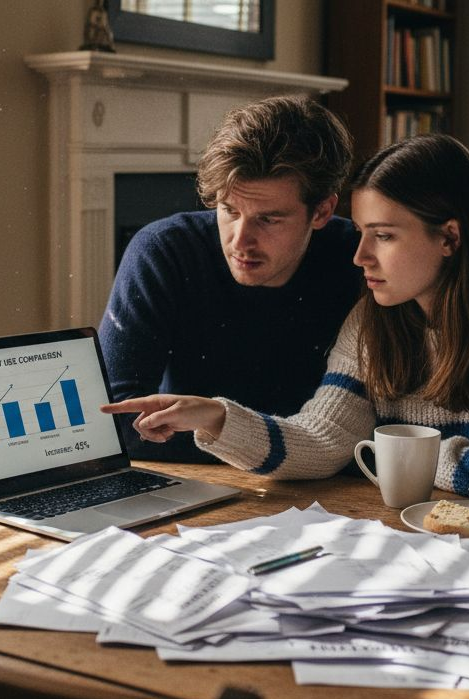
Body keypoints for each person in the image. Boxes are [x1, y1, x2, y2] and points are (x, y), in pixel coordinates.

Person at [102, 134, 469, 516]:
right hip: (442, 543)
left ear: (450, 238)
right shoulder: (375, 319)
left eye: (384, 236)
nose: (360, 255)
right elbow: (323, 442)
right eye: (362, 232)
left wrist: (417, 461)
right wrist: (216, 418)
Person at [99, 96, 363, 463]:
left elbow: (364, 427)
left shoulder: (360, 259)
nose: (240, 241)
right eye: (229, 210)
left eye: (268, 219)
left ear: (321, 211)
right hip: (200, 481)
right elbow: (117, 419)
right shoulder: (163, 251)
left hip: (319, 479)